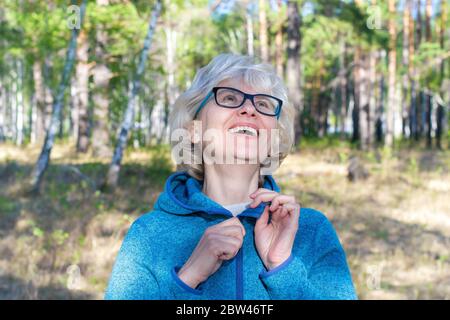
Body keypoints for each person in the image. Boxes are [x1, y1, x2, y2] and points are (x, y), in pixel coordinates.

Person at [105, 53, 357, 300]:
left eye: (263, 104)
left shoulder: (311, 231)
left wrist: (283, 268)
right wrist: (188, 278)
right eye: (229, 98)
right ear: (194, 130)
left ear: (274, 139)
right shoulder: (150, 234)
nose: (249, 109)